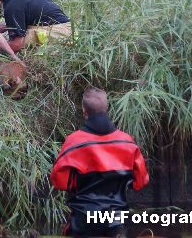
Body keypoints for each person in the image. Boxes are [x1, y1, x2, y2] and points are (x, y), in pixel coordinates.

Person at [50, 88, 149, 238]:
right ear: (106, 108)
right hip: (116, 219)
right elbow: (140, 182)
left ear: (84, 111)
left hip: (84, 218)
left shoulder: (74, 142)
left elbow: (60, 182)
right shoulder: (126, 141)